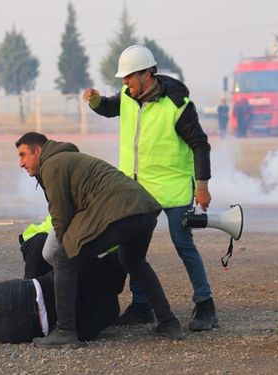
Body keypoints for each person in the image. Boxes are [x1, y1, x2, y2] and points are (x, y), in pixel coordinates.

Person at [82, 44, 218, 332]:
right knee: (133, 249)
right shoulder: (128, 97)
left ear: (147, 74)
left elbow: (200, 144)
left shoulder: (178, 106)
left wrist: (202, 186)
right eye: (123, 79)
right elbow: (109, 107)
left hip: (174, 188)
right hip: (137, 191)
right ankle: (142, 306)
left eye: (130, 77)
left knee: (183, 244)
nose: (125, 83)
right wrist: (95, 101)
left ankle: (205, 306)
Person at [16, 132, 185, 348]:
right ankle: (169, 323)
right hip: (145, 209)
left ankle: (66, 331)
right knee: (134, 262)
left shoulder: (52, 164)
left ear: (38, 150)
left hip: (120, 211)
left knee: (64, 259)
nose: (21, 163)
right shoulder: (68, 159)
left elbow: (61, 216)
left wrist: (65, 252)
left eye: (23, 155)